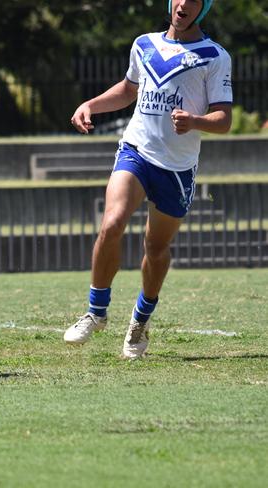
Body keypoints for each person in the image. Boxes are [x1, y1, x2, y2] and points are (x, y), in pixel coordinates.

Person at [63, 0, 232, 358]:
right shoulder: (144, 44)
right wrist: (89, 105)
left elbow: (224, 118)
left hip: (177, 168)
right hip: (136, 151)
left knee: (156, 249)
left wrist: (195, 122)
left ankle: (140, 320)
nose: (183, 4)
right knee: (111, 223)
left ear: (203, 8)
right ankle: (96, 312)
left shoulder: (215, 56)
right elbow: (128, 90)